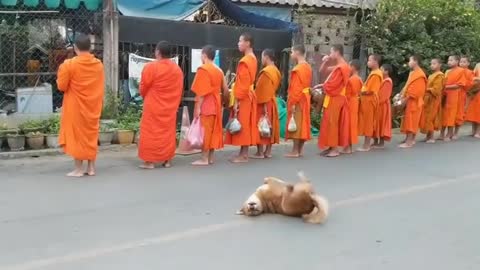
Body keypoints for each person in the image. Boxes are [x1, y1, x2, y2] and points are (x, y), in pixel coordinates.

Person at [57, 35, 105, 177]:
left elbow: (61, 86)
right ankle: (91, 168)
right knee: (90, 135)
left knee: (77, 136)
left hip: (76, 106)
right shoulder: (98, 65)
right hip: (93, 105)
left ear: (75, 48)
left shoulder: (69, 65)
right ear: (90, 47)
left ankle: (78, 169)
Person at [138, 41, 184, 169]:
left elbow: (143, 88)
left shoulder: (151, 67)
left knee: (150, 133)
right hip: (169, 106)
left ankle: (149, 162)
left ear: (157, 52)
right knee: (167, 132)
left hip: (153, 105)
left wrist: (146, 97)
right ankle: (167, 160)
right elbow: (179, 89)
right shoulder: (177, 70)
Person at [191, 45, 227, 166]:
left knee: (205, 131)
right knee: (212, 131)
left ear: (204, 55)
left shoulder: (203, 69)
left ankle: (204, 158)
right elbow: (225, 89)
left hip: (206, 103)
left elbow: (201, 93)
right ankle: (211, 157)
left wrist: (197, 108)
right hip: (216, 103)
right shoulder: (219, 70)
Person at [225, 33, 258, 163]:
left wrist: (237, 100)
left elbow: (243, 82)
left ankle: (243, 155)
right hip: (249, 94)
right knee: (246, 123)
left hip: (244, 96)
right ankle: (243, 153)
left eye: (240, 41)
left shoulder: (245, 61)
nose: (238, 44)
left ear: (247, 43)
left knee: (243, 123)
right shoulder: (253, 58)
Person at [316, 44, 351, 157]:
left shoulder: (343, 67)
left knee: (332, 123)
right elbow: (322, 71)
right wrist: (326, 61)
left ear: (337, 52)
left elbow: (333, 84)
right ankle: (331, 146)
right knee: (328, 122)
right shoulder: (338, 66)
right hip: (332, 97)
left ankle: (335, 149)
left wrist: (324, 87)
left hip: (336, 98)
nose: (330, 55)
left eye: (331, 52)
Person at [252, 49, 281, 159]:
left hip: (263, 102)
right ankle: (268, 151)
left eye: (262, 57)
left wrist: (257, 99)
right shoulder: (276, 71)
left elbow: (261, 90)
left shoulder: (266, 72)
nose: (261, 59)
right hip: (272, 101)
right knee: (270, 125)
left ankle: (260, 152)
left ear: (267, 57)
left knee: (260, 124)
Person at [285, 44, 312, 158]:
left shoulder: (297, 69)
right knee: (302, 123)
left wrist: (293, 102)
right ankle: (299, 150)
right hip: (306, 97)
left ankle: (295, 151)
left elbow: (296, 88)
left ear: (297, 52)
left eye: (292, 52)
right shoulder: (307, 66)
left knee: (296, 123)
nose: (291, 54)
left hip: (299, 98)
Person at [399, 55, 427, 148]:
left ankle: (410, 141)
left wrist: (405, 99)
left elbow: (417, 91)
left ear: (415, 61)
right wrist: (402, 94)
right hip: (409, 99)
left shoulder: (420, 74)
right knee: (408, 119)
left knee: (412, 120)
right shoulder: (413, 73)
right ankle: (408, 138)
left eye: (410, 60)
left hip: (414, 100)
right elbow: (407, 85)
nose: (408, 62)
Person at [357, 54, 383, 152]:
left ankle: (366, 145)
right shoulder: (374, 72)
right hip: (367, 100)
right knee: (366, 121)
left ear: (375, 62)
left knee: (368, 122)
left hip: (369, 100)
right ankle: (367, 143)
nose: (368, 62)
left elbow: (371, 90)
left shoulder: (376, 74)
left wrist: (361, 90)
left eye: (370, 60)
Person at [439, 55, 466, 141]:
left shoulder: (461, 71)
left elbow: (459, 84)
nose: (449, 62)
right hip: (446, 95)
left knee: (452, 114)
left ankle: (449, 133)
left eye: (451, 60)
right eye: (448, 60)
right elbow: (443, 82)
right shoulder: (447, 71)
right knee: (444, 114)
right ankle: (442, 133)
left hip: (455, 95)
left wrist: (446, 87)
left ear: (457, 61)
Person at [420, 58, 445, 143]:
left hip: (434, 98)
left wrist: (427, 89)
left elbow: (437, 89)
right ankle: (428, 136)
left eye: (434, 64)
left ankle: (431, 137)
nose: (432, 65)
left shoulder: (440, 75)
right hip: (427, 98)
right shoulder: (431, 75)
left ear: (439, 65)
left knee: (431, 117)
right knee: (426, 116)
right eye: (431, 64)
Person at [343, 59, 363, 153]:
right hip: (355, 101)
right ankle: (348, 146)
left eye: (349, 66)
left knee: (348, 124)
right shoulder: (358, 78)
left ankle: (348, 147)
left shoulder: (352, 79)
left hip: (350, 101)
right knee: (351, 123)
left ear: (353, 67)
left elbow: (348, 93)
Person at [453, 56, 474, 139]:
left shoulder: (470, 72)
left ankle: (456, 132)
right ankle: (450, 131)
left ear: (468, 63)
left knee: (459, 113)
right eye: (461, 62)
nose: (462, 63)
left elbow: (471, 84)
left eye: (464, 62)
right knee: (452, 113)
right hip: (454, 94)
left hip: (463, 94)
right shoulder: (455, 71)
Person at [374, 64, 393, 148]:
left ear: (386, 71)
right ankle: (375, 141)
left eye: (381, 69)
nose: (380, 70)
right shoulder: (381, 79)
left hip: (383, 105)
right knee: (376, 122)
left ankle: (381, 143)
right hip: (378, 104)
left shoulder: (388, 81)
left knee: (382, 122)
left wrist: (376, 101)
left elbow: (384, 96)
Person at [465, 63, 480, 138]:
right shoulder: (478, 65)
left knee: (479, 112)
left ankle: (478, 131)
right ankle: (473, 131)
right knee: (474, 111)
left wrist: (477, 79)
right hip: (476, 90)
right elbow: (473, 76)